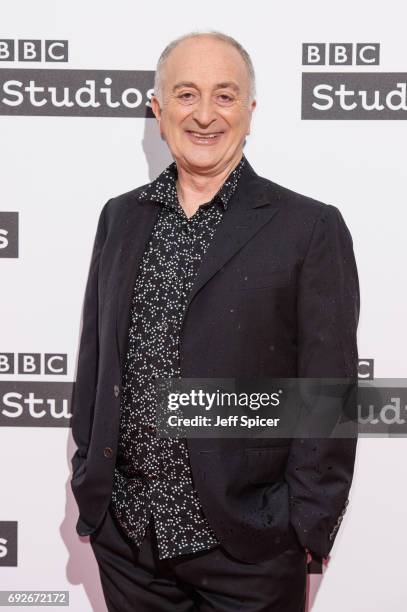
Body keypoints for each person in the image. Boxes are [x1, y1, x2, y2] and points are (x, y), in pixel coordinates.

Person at [70, 30, 360, 612]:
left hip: (250, 546)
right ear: (157, 108)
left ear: (251, 112)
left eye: (225, 96)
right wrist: (88, 480)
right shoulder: (120, 217)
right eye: (185, 94)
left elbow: (328, 395)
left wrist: (303, 524)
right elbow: (97, 358)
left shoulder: (307, 227)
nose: (205, 115)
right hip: (129, 541)